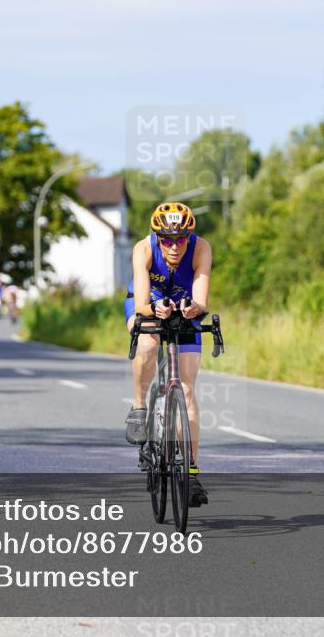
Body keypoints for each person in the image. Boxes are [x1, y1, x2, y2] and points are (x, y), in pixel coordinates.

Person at [123, 202, 212, 507]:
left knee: (186, 390)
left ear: (190, 236)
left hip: (184, 304)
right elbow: (141, 305)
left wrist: (192, 309)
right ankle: (138, 407)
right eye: (167, 240)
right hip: (149, 300)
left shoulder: (201, 249)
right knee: (148, 341)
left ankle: (190, 472)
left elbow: (201, 300)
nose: (174, 247)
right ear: (157, 237)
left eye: (181, 239)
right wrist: (154, 310)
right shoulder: (143, 249)